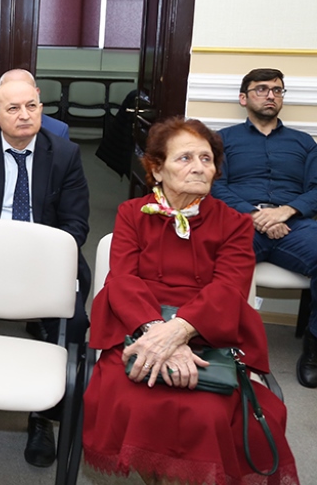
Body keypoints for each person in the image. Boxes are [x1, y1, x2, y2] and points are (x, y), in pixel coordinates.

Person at [83, 117, 298, 484]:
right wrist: (158, 334)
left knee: (208, 413)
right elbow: (122, 280)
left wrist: (177, 333)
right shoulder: (131, 214)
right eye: (185, 158)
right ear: (157, 169)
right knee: (133, 400)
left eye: (206, 158)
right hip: (139, 329)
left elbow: (228, 289)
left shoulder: (235, 223)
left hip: (211, 335)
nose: (199, 167)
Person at [0, 78, 90, 468]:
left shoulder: (64, 153)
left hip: (46, 262)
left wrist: (39, 259)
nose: (24, 115)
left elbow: (76, 224)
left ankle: (43, 414)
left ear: (41, 109)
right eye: (13, 108)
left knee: (74, 323)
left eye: (31, 106)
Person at [210, 68, 317, 388]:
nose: (271, 95)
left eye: (277, 90)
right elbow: (214, 186)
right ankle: (213, 339)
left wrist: (285, 211)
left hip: (294, 225)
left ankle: (313, 348)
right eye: (262, 89)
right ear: (243, 98)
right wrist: (254, 215)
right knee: (208, 262)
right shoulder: (221, 140)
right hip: (240, 224)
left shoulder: (304, 143)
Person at [0, 68, 70, 139]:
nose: (24, 116)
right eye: (11, 90)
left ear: (37, 92)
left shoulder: (58, 130)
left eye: (25, 89)